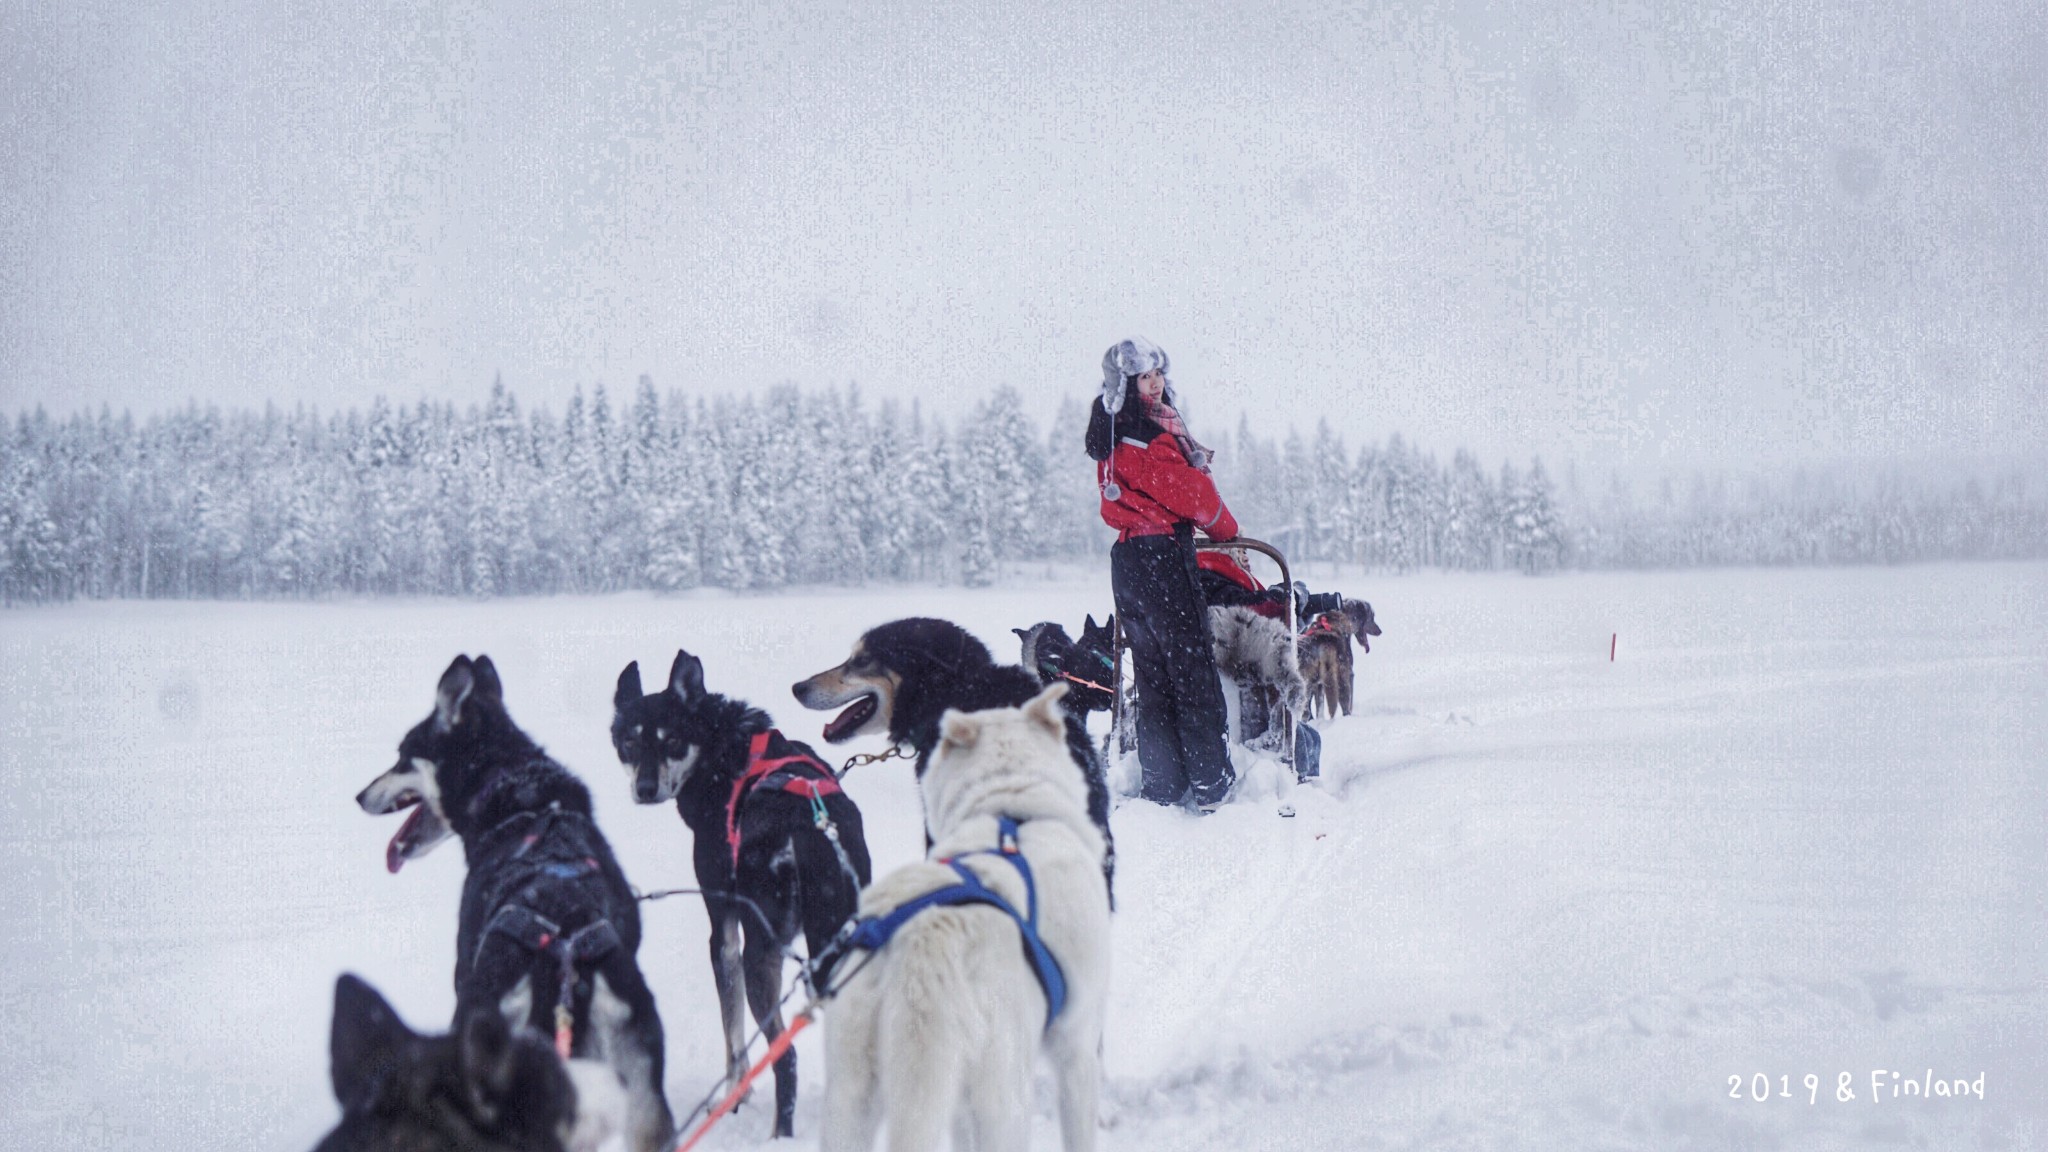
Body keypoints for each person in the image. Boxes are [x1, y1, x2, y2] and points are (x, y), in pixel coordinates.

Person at [1085, 337, 1239, 811]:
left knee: (1152, 677)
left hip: (1128, 564)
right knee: (1191, 671)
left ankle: (1164, 784)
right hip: (1162, 558)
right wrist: (1227, 531)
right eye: (1144, 377)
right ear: (1126, 386)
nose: (1155, 385)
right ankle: (1212, 784)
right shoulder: (1149, 439)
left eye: (1157, 375)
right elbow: (1197, 499)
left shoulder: (1111, 441)